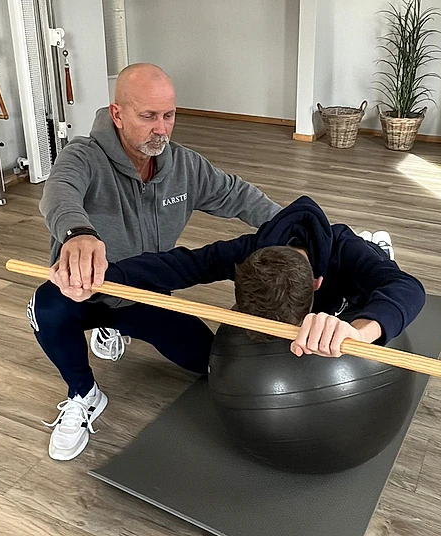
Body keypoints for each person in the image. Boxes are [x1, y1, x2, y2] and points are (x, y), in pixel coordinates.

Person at [30, 63, 280, 461]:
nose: (161, 129)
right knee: (46, 308)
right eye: (148, 116)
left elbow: (239, 196)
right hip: (83, 291)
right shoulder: (83, 155)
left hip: (143, 291)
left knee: (210, 362)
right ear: (118, 114)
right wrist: (78, 233)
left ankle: (115, 326)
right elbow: (59, 193)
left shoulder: (184, 166)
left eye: (169, 115)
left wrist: (296, 230)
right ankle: (83, 393)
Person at [54, 195, 426, 365]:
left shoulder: (345, 252)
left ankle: (378, 244)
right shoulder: (247, 252)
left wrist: (359, 333)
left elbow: (409, 288)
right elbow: (178, 265)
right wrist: (100, 278)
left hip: (351, 277)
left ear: (316, 284)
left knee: (373, 283)